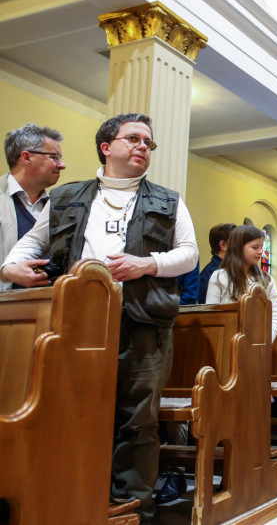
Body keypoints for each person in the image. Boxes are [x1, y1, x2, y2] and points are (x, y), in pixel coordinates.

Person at [0, 113, 198, 521]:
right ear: (106, 147)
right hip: (77, 323)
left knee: (138, 420)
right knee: (72, 412)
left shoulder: (169, 200)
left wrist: (148, 264)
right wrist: (10, 269)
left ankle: (133, 508)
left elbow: (189, 254)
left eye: (148, 142)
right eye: (133, 138)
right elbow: (29, 244)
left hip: (143, 321)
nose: (143, 147)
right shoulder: (65, 196)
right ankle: (73, 497)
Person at [1, 123, 65, 289]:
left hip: (48, 302)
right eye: (54, 157)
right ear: (27, 157)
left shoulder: (60, 206)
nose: (62, 165)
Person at [206, 225, 277, 339]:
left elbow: (274, 315)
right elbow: (211, 315)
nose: (260, 252)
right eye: (255, 247)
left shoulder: (267, 280)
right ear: (238, 247)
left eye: (261, 247)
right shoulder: (219, 277)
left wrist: (266, 340)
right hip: (226, 340)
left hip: (258, 342)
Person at [198, 222, 237, 304]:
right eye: (237, 242)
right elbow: (205, 307)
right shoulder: (209, 273)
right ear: (223, 245)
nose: (242, 246)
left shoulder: (235, 269)